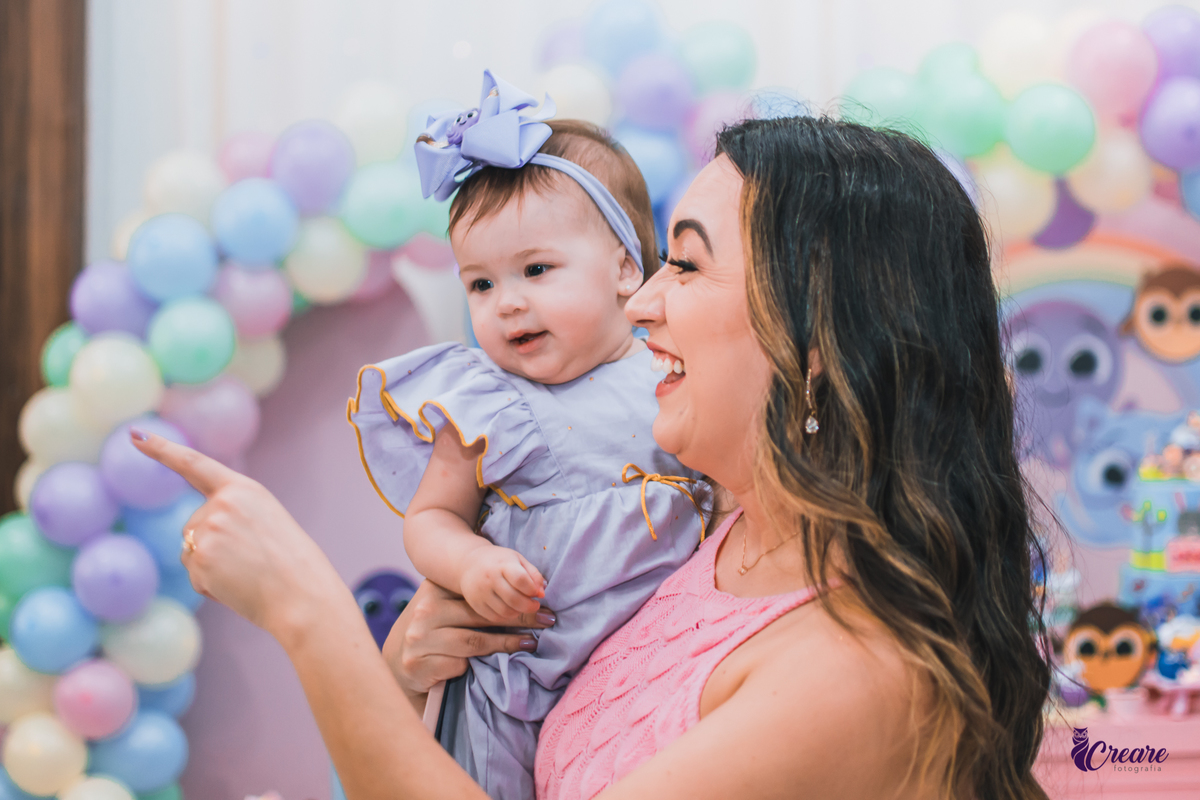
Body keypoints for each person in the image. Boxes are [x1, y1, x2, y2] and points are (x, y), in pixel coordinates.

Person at [133, 113, 1051, 800]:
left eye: (683, 267)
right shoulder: (711, 535)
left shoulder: (857, 671)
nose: (644, 303)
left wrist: (307, 612)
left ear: (819, 348)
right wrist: (406, 670)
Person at [346, 71, 704, 799]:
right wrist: (472, 563)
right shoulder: (489, 403)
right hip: (515, 674)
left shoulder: (676, 370)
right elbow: (433, 518)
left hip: (648, 663)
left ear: (624, 268)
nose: (506, 303)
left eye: (536, 270)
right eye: (479, 284)